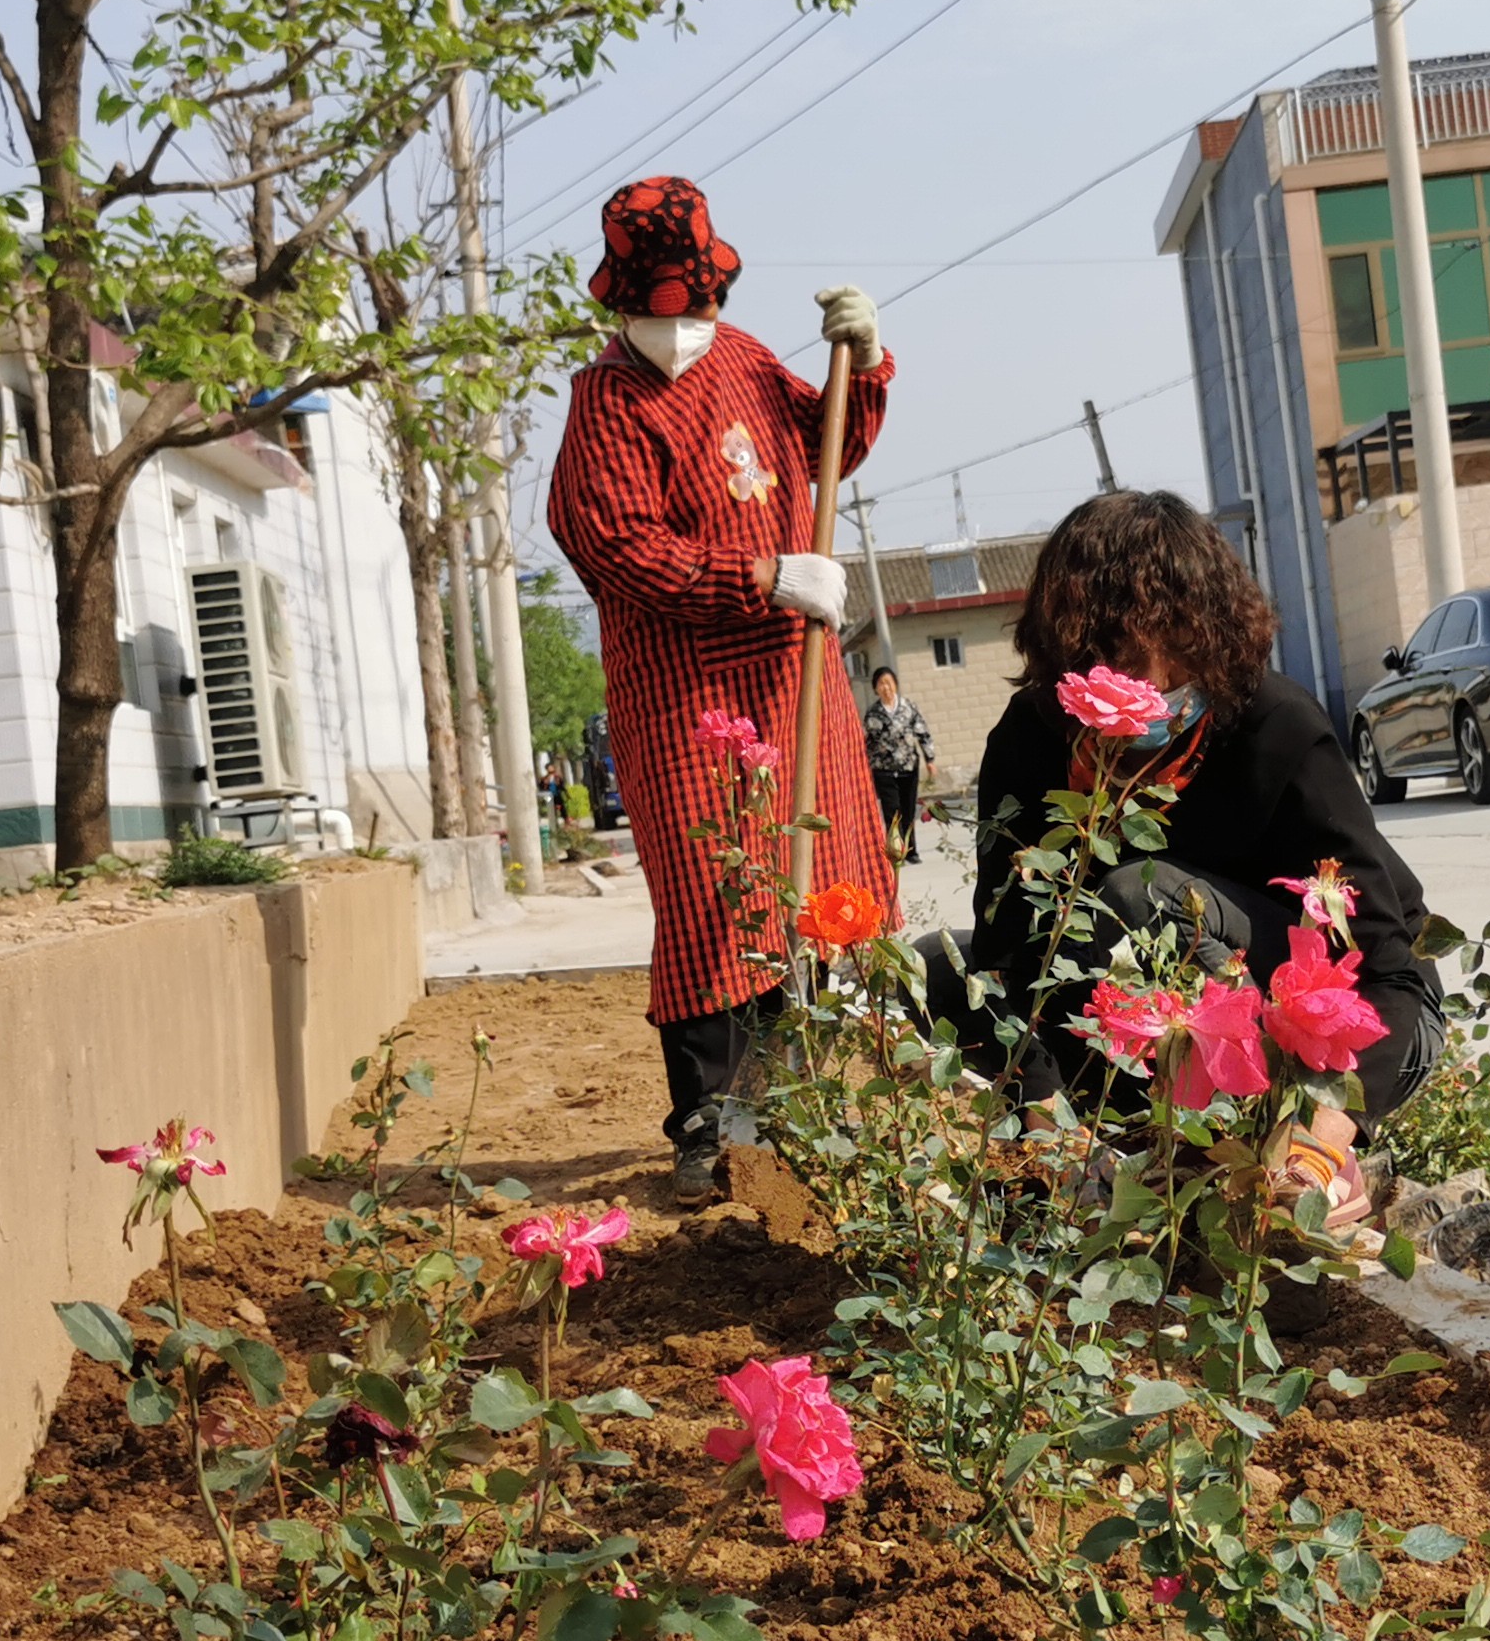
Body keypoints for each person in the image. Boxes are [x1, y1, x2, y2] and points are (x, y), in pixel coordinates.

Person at [544, 175, 896, 1203]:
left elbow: (834, 445)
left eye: (702, 305)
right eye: (672, 308)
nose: (691, 324)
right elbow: (615, 547)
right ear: (627, 304)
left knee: (817, 874)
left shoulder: (743, 360)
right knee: (714, 900)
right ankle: (710, 1124)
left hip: (795, 680)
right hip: (686, 701)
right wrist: (763, 576)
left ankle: (818, 1101)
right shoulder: (604, 405)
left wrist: (865, 366)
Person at [940, 490, 1442, 1167]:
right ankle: (1141, 1133)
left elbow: (1390, 973)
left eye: (1172, 657)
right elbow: (1008, 953)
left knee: (1139, 896)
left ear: (1209, 637)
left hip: (1350, 1027)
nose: (1153, 684)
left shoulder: (1276, 727)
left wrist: (1324, 1137)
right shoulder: (1031, 742)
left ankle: (1244, 1119)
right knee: (940, 970)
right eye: (1112, 659)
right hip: (1159, 1017)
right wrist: (1047, 1125)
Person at [862, 666, 936, 865]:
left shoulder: (908, 708)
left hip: (908, 767)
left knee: (908, 810)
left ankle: (911, 850)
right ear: (875, 688)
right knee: (891, 812)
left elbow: (923, 733)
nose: (886, 687)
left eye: (889, 682)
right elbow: (865, 743)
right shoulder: (873, 714)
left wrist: (930, 760)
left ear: (895, 684)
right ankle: (896, 853)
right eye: (881, 684)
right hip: (883, 770)